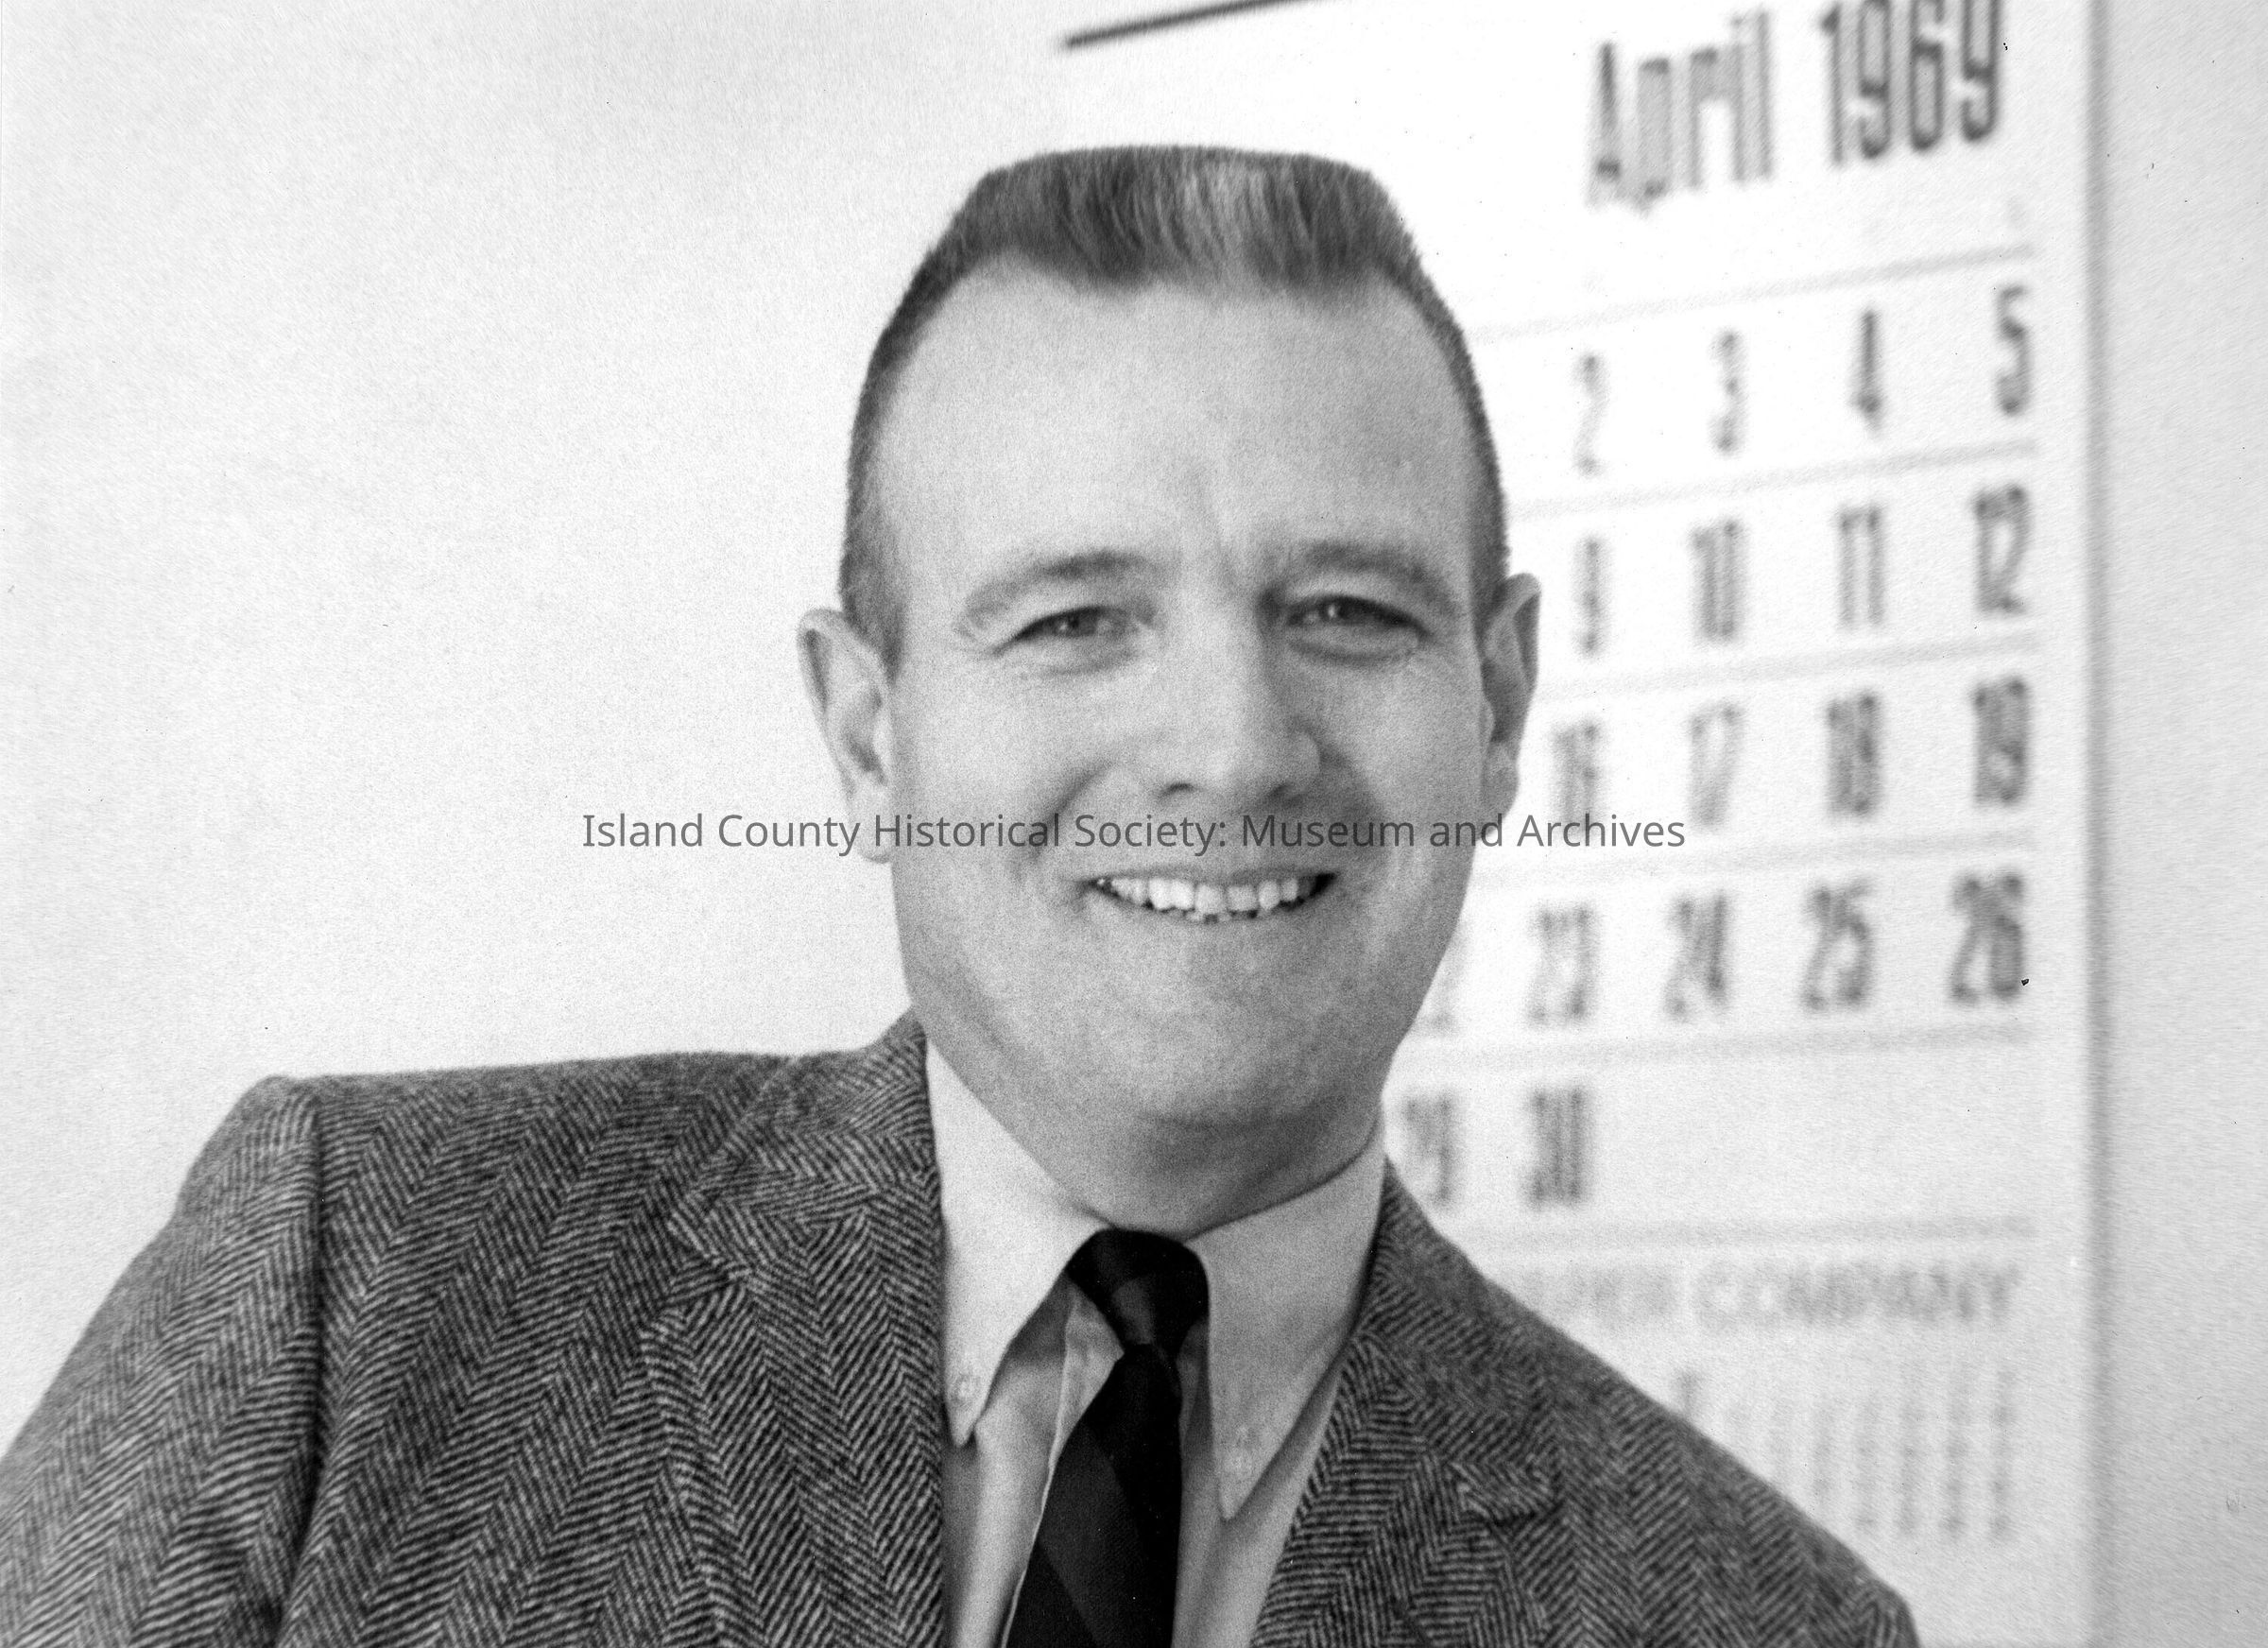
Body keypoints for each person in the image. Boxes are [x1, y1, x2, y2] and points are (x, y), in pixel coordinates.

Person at [0, 146, 1916, 1647]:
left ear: (1497, 707)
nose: (1232, 749)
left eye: (1345, 611)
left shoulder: (1759, 1619)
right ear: (869, 734)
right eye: (1076, 619)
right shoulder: (348, 1302)